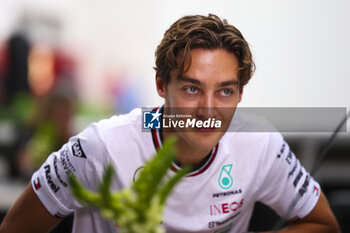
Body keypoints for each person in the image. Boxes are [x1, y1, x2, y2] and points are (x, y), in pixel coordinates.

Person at [0, 14, 340, 233]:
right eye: (192, 88)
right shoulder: (100, 146)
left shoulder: (260, 143)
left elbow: (323, 224)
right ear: (162, 86)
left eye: (225, 91)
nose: (208, 111)